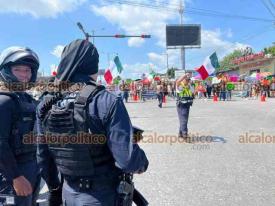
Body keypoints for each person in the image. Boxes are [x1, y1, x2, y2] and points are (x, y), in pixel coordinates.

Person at [36, 39, 149, 206]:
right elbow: (128, 160)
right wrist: (142, 161)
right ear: (94, 67)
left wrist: (54, 189)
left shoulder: (46, 103)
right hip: (102, 196)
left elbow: (42, 157)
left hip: (68, 194)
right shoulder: (106, 101)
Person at [0, 46, 41, 206]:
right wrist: (15, 177)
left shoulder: (26, 100)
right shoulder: (4, 101)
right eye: (18, 70)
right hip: (11, 174)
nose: (25, 75)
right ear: (7, 70)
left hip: (31, 168)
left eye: (28, 70)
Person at [176, 74, 194, 140]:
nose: (187, 80)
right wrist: (185, 75)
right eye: (186, 79)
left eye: (188, 79)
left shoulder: (189, 86)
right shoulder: (180, 86)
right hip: (181, 105)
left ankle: (180, 133)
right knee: (184, 120)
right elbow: (178, 81)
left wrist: (190, 84)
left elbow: (193, 92)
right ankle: (185, 135)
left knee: (183, 120)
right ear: (182, 79)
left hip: (187, 105)